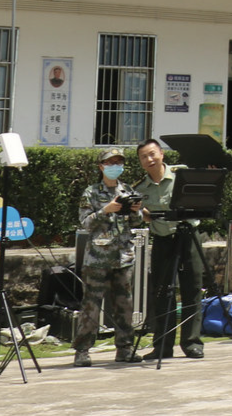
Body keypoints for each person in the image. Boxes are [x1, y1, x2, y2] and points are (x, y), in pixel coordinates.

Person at [134, 138, 204, 359]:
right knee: (163, 293)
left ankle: (192, 342)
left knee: (192, 289)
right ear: (141, 162)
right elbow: (140, 216)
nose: (149, 159)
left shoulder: (182, 173)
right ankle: (163, 346)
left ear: (162, 154)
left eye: (153, 154)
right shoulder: (140, 188)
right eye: (144, 157)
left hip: (189, 236)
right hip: (163, 239)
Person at [73, 148, 142, 366]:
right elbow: (85, 223)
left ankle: (124, 348)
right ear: (101, 166)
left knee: (124, 305)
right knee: (91, 305)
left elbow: (136, 223)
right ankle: (82, 350)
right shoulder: (91, 192)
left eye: (119, 162)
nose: (115, 166)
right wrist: (107, 210)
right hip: (98, 258)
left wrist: (136, 211)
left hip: (123, 256)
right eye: (110, 162)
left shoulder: (127, 189)